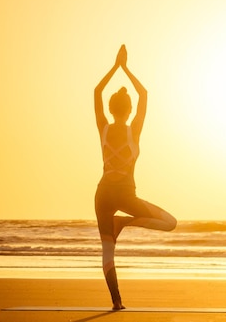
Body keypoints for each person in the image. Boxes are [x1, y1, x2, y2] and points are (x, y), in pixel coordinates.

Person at [94, 45, 177, 310]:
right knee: (170, 223)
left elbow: (96, 91)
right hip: (125, 195)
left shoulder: (103, 128)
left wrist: (115, 67)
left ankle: (116, 302)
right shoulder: (135, 130)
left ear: (110, 107)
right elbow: (144, 93)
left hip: (103, 195)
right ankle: (124, 224)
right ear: (129, 111)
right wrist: (126, 68)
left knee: (108, 252)